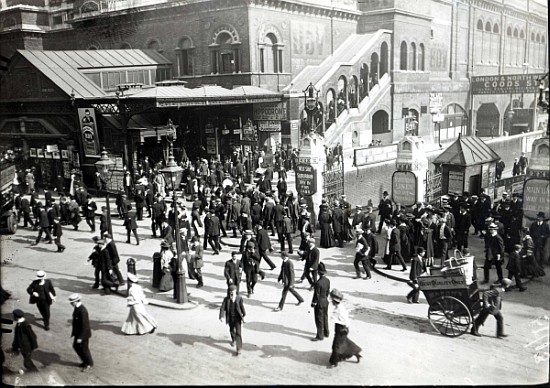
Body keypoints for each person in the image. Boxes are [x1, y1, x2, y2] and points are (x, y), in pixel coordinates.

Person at [328, 289, 362, 367]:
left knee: (336, 345)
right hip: (341, 328)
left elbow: (344, 320)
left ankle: (334, 362)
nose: (331, 302)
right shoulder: (339, 307)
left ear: (334, 301)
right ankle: (356, 353)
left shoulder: (339, 310)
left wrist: (343, 328)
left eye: (332, 300)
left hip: (341, 329)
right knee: (344, 342)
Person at [69, 294, 93, 372]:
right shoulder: (77, 308)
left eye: (72, 302)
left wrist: (80, 337)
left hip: (83, 334)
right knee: (76, 346)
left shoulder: (82, 311)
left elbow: (85, 325)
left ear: (77, 301)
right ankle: (85, 361)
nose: (71, 304)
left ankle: (89, 364)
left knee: (84, 349)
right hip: (78, 333)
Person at [219, 284, 246, 356]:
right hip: (230, 317)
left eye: (233, 291)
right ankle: (233, 339)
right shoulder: (226, 299)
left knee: (238, 333)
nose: (232, 292)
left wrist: (244, 315)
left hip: (237, 318)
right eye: (230, 291)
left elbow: (242, 307)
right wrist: (221, 316)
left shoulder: (239, 298)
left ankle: (239, 348)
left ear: (236, 291)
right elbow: (222, 308)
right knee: (231, 329)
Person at [311, 262, 330, 341]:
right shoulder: (327, 280)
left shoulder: (318, 283)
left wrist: (314, 302)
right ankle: (326, 332)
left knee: (319, 319)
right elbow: (327, 291)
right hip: (325, 301)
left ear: (318, 273)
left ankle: (320, 335)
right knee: (325, 317)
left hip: (319, 302)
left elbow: (316, 294)